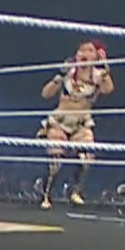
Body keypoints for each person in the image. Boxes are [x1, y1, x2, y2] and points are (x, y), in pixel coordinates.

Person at [38, 40, 113, 210]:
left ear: (96, 55)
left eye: (89, 50)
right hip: (61, 120)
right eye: (81, 50)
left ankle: (75, 190)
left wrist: (105, 65)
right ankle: (46, 193)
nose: (84, 53)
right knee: (56, 161)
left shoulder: (98, 75)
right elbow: (46, 94)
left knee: (86, 156)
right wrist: (59, 77)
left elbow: (108, 89)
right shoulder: (68, 72)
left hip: (81, 122)